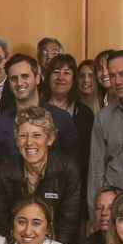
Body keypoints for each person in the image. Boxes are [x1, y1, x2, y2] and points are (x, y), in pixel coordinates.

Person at [0, 107, 81, 244]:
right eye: (23, 136)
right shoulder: (4, 174)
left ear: (50, 139)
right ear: (17, 141)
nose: (29, 142)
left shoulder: (68, 170)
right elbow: (2, 227)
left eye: (36, 135)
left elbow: (67, 227)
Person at [0, 54, 79, 176]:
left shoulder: (62, 119)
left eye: (25, 76)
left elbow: (72, 167)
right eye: (13, 78)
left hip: (54, 192)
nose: (19, 83)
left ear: (37, 78)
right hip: (13, 193)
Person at [87, 50, 123, 205]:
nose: (117, 81)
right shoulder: (103, 117)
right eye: (113, 76)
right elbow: (96, 169)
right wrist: (95, 213)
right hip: (113, 205)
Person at [43, 54, 95, 183]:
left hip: (75, 181)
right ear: (49, 77)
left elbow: (87, 154)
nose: (61, 77)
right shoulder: (37, 108)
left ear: (74, 79)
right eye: (56, 72)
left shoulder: (84, 113)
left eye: (67, 73)